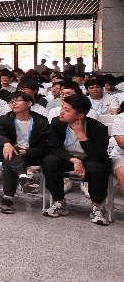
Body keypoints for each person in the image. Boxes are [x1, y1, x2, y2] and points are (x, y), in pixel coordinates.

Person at [41, 93, 112, 225]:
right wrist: (73, 159)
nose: (61, 112)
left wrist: (81, 135)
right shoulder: (57, 123)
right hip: (67, 158)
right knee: (50, 161)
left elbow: (99, 156)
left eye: (67, 110)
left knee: (97, 168)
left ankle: (97, 206)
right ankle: (59, 201)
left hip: (90, 159)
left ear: (80, 115)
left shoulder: (98, 128)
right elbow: (54, 147)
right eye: (62, 107)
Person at [0, 91, 50, 214]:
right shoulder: (4, 119)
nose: (13, 104)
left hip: (32, 154)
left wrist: (26, 151)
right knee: (9, 154)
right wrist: (7, 143)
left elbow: (45, 145)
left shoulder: (41, 121)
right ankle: (23, 177)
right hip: (10, 151)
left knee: (9, 159)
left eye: (17, 100)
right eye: (11, 101)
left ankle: (8, 198)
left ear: (29, 103)